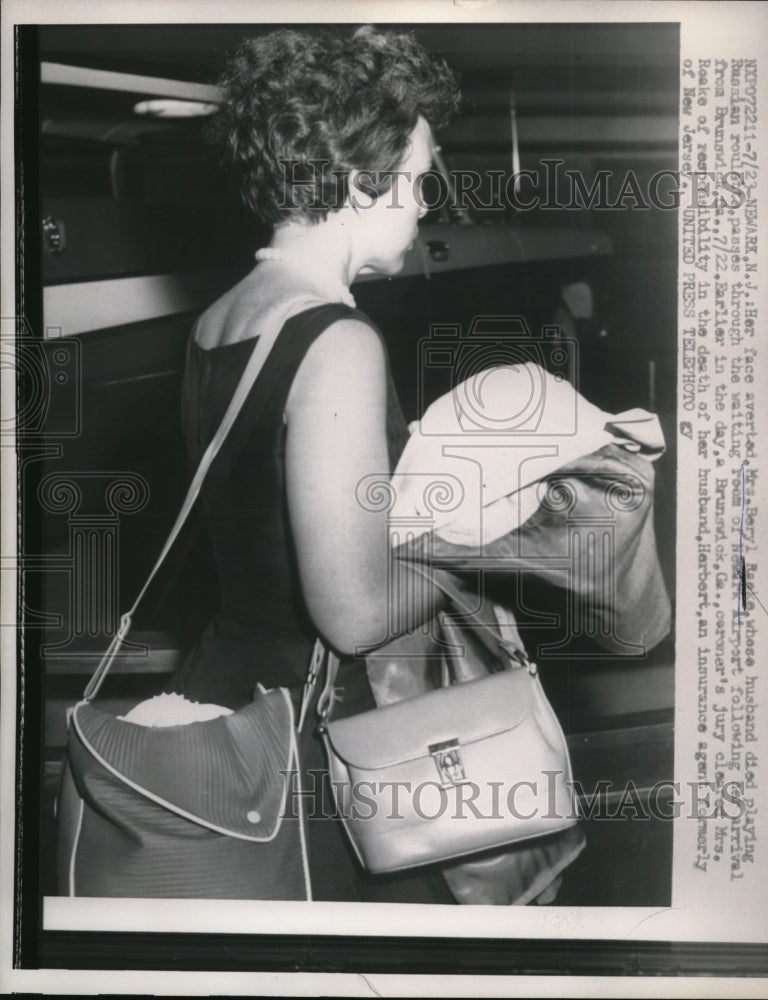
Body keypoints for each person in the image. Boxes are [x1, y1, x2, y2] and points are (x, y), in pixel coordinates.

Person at [163, 26, 462, 902]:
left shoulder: (222, 318)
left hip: (227, 698)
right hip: (320, 741)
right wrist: (484, 552)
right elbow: (357, 616)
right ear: (361, 180)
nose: (425, 202)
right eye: (419, 177)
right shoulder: (337, 340)